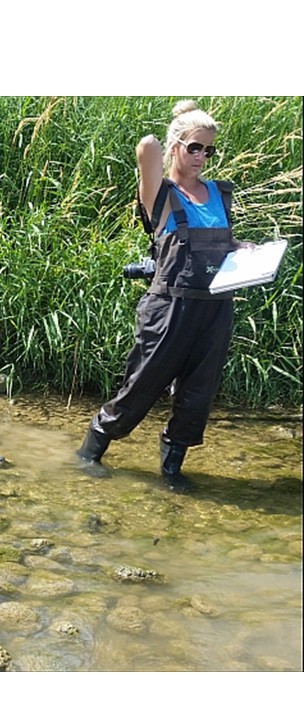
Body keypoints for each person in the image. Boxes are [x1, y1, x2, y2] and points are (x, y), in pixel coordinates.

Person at [76, 100, 253, 491]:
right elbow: (147, 146)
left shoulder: (218, 195)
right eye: (194, 147)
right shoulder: (160, 195)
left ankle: (171, 470)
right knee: (141, 386)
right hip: (169, 308)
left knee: (198, 394)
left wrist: (243, 249)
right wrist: (183, 120)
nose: (202, 156)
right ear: (175, 148)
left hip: (215, 310)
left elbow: (223, 243)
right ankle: (88, 453)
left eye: (208, 150)